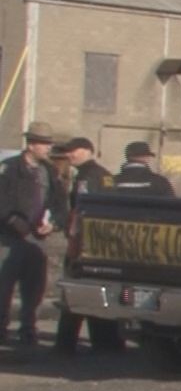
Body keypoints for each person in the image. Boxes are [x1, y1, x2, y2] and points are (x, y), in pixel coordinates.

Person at [54, 137, 124, 353]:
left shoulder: (91, 176)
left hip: (87, 245)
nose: (69, 155)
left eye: (73, 151)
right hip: (92, 245)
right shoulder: (91, 175)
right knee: (92, 292)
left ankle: (68, 345)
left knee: (79, 292)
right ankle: (105, 344)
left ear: (87, 151)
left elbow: (88, 212)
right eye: (67, 151)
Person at [0, 122, 63, 347]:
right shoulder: (9, 168)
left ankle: (28, 328)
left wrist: (53, 223)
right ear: (31, 144)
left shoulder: (50, 171)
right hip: (8, 238)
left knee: (34, 287)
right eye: (44, 143)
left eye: (49, 143)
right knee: (3, 285)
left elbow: (58, 204)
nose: (48, 148)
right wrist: (15, 222)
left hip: (37, 239)